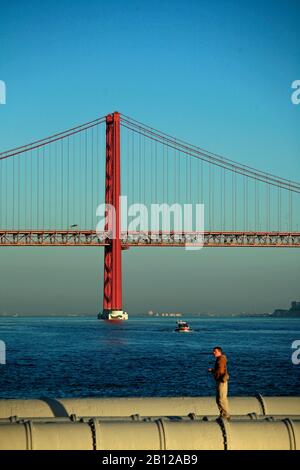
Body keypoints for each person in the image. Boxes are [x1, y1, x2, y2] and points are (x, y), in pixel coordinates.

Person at [208, 346, 230, 420]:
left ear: (219, 352)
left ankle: (225, 415)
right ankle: (222, 414)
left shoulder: (221, 359)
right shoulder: (219, 359)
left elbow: (220, 371)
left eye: (215, 351)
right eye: (213, 351)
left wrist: (213, 371)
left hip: (222, 381)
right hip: (219, 381)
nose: (213, 353)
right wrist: (213, 370)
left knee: (221, 399)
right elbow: (220, 369)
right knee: (218, 399)